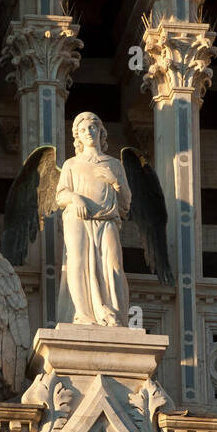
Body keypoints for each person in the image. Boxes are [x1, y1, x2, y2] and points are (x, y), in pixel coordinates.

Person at [55, 111, 131, 326]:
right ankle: (83, 315)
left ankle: (115, 315)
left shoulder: (114, 164)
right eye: (82, 129)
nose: (88, 132)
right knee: (77, 263)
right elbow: (60, 195)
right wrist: (75, 198)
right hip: (78, 219)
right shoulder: (71, 164)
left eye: (92, 127)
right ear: (76, 136)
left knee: (113, 265)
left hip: (107, 221)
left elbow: (125, 203)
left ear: (100, 132)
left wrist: (115, 182)